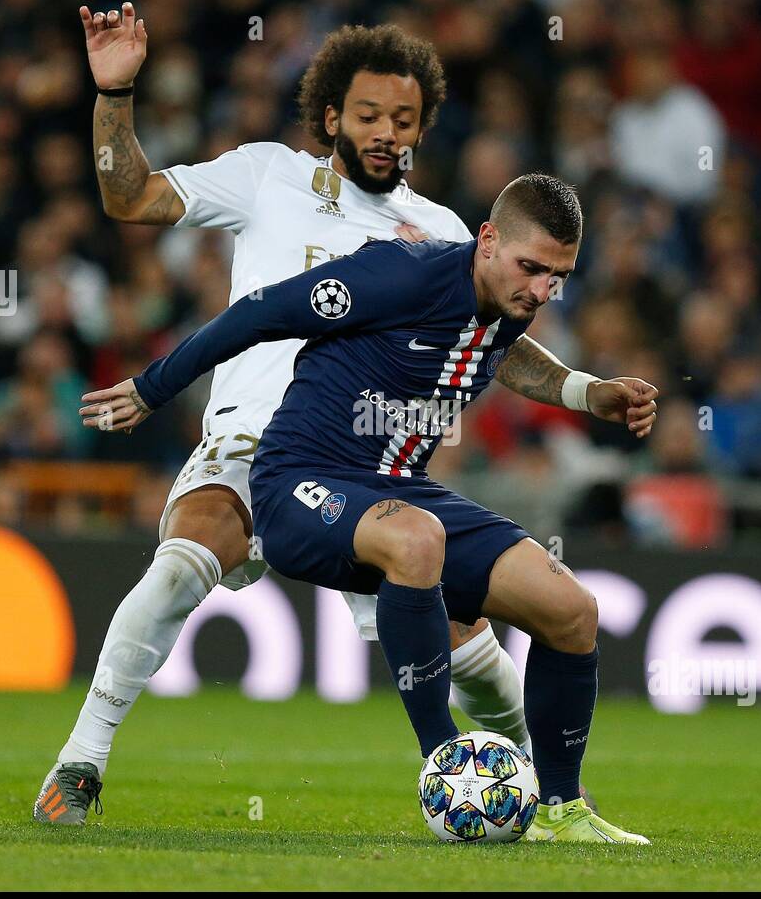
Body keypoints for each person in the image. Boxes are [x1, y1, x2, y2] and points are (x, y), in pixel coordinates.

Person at [35, 4, 626, 825]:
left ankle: (549, 794)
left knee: (476, 654)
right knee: (181, 561)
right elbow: (130, 197)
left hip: (371, 466)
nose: (388, 133)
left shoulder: (444, 232)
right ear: (331, 117)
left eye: (405, 119)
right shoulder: (267, 174)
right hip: (253, 444)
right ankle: (81, 761)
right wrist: (117, 92)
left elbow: (501, 346)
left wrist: (579, 387)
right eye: (371, 115)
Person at [81, 174, 658, 843]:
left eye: (557, 277)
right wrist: (153, 388)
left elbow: (506, 354)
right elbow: (259, 312)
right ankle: (447, 768)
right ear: (488, 239)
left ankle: (561, 812)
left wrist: (589, 393)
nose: (539, 290)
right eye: (531, 268)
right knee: (417, 540)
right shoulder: (398, 276)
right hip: (296, 481)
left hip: (396, 490)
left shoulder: (508, 301)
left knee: (572, 610)